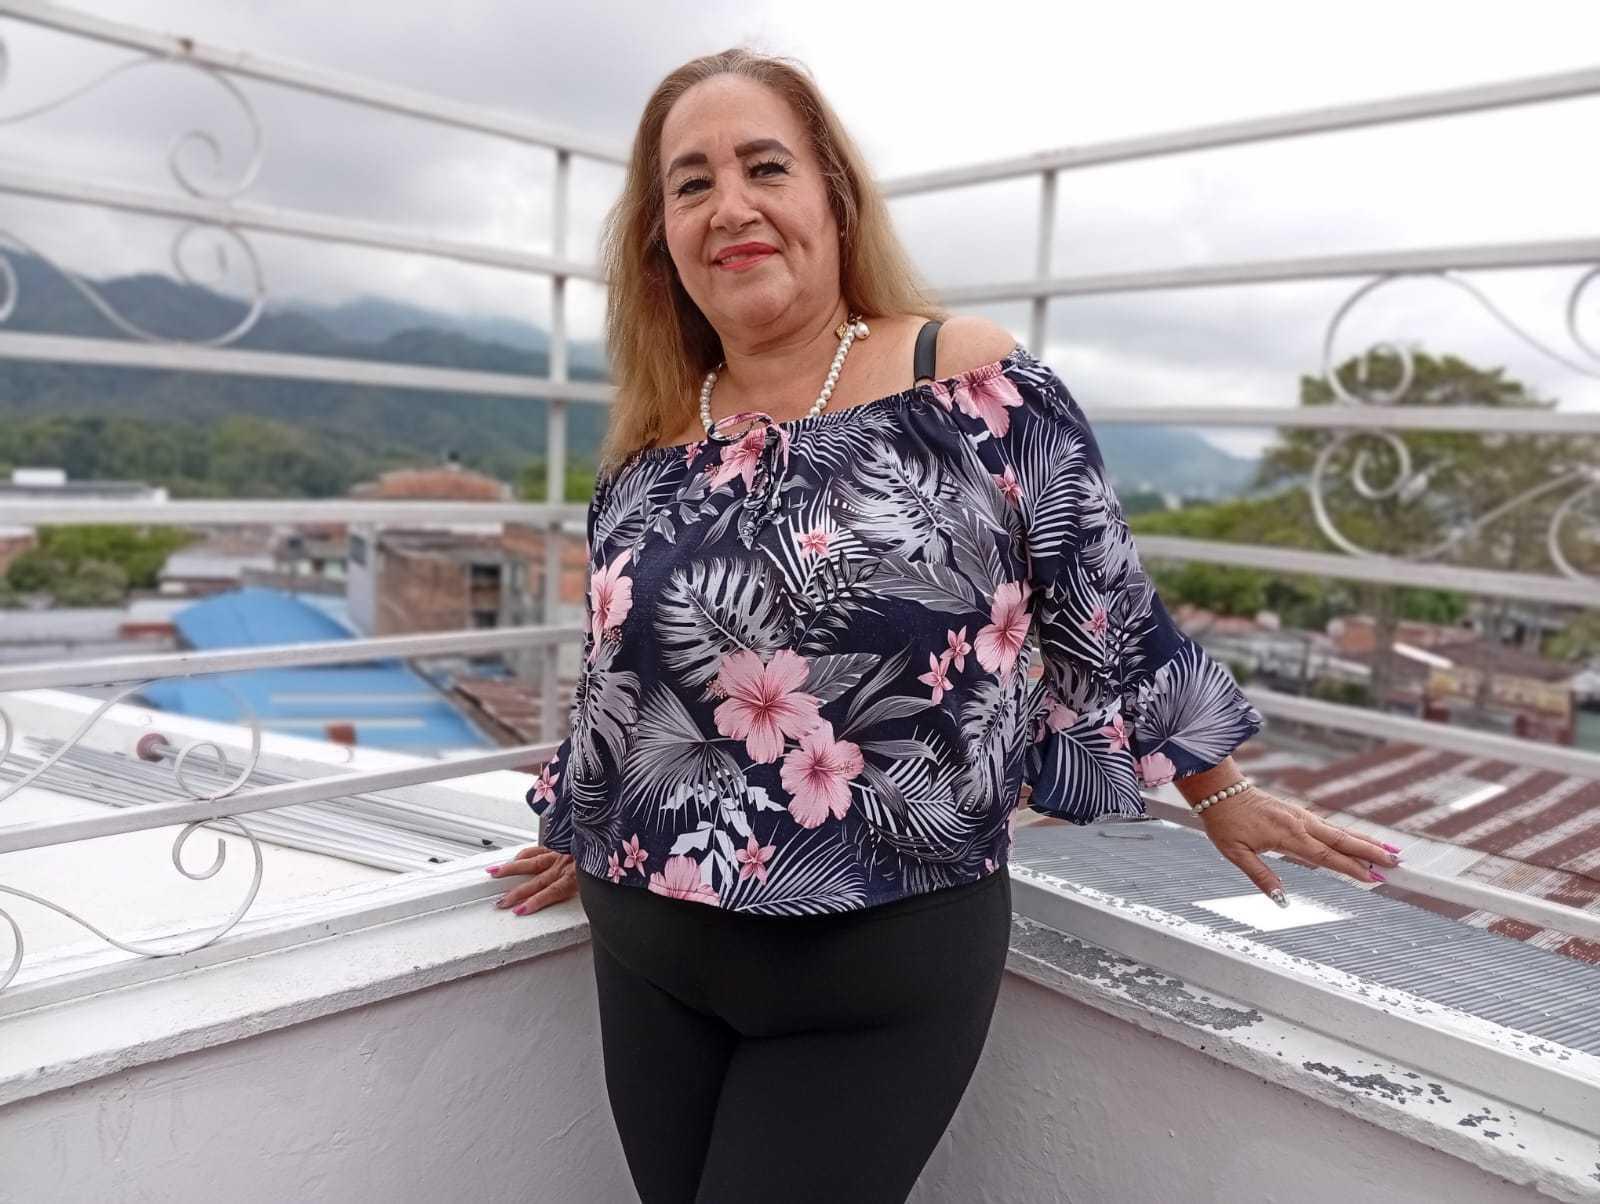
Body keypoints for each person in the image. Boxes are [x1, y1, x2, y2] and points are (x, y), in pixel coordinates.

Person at [487, 47, 1404, 1204]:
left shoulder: (965, 379)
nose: (731, 206)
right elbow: (621, 680)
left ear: (833, 195)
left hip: (874, 967)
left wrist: (1219, 790)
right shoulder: (651, 445)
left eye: (765, 167)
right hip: (646, 948)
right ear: (659, 238)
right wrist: (577, 820)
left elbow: (1102, 598)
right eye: (691, 183)